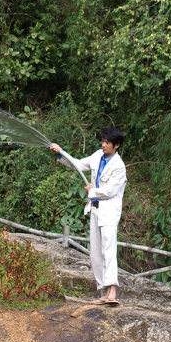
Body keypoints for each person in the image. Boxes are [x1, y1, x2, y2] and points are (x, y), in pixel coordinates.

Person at [49, 128, 126, 305]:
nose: (103, 144)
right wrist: (61, 153)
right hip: (95, 209)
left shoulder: (119, 167)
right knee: (95, 253)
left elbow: (109, 192)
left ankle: (112, 291)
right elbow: (78, 164)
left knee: (108, 249)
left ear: (117, 145)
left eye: (107, 142)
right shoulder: (98, 155)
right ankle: (103, 293)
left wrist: (92, 191)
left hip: (109, 211)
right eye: (103, 141)